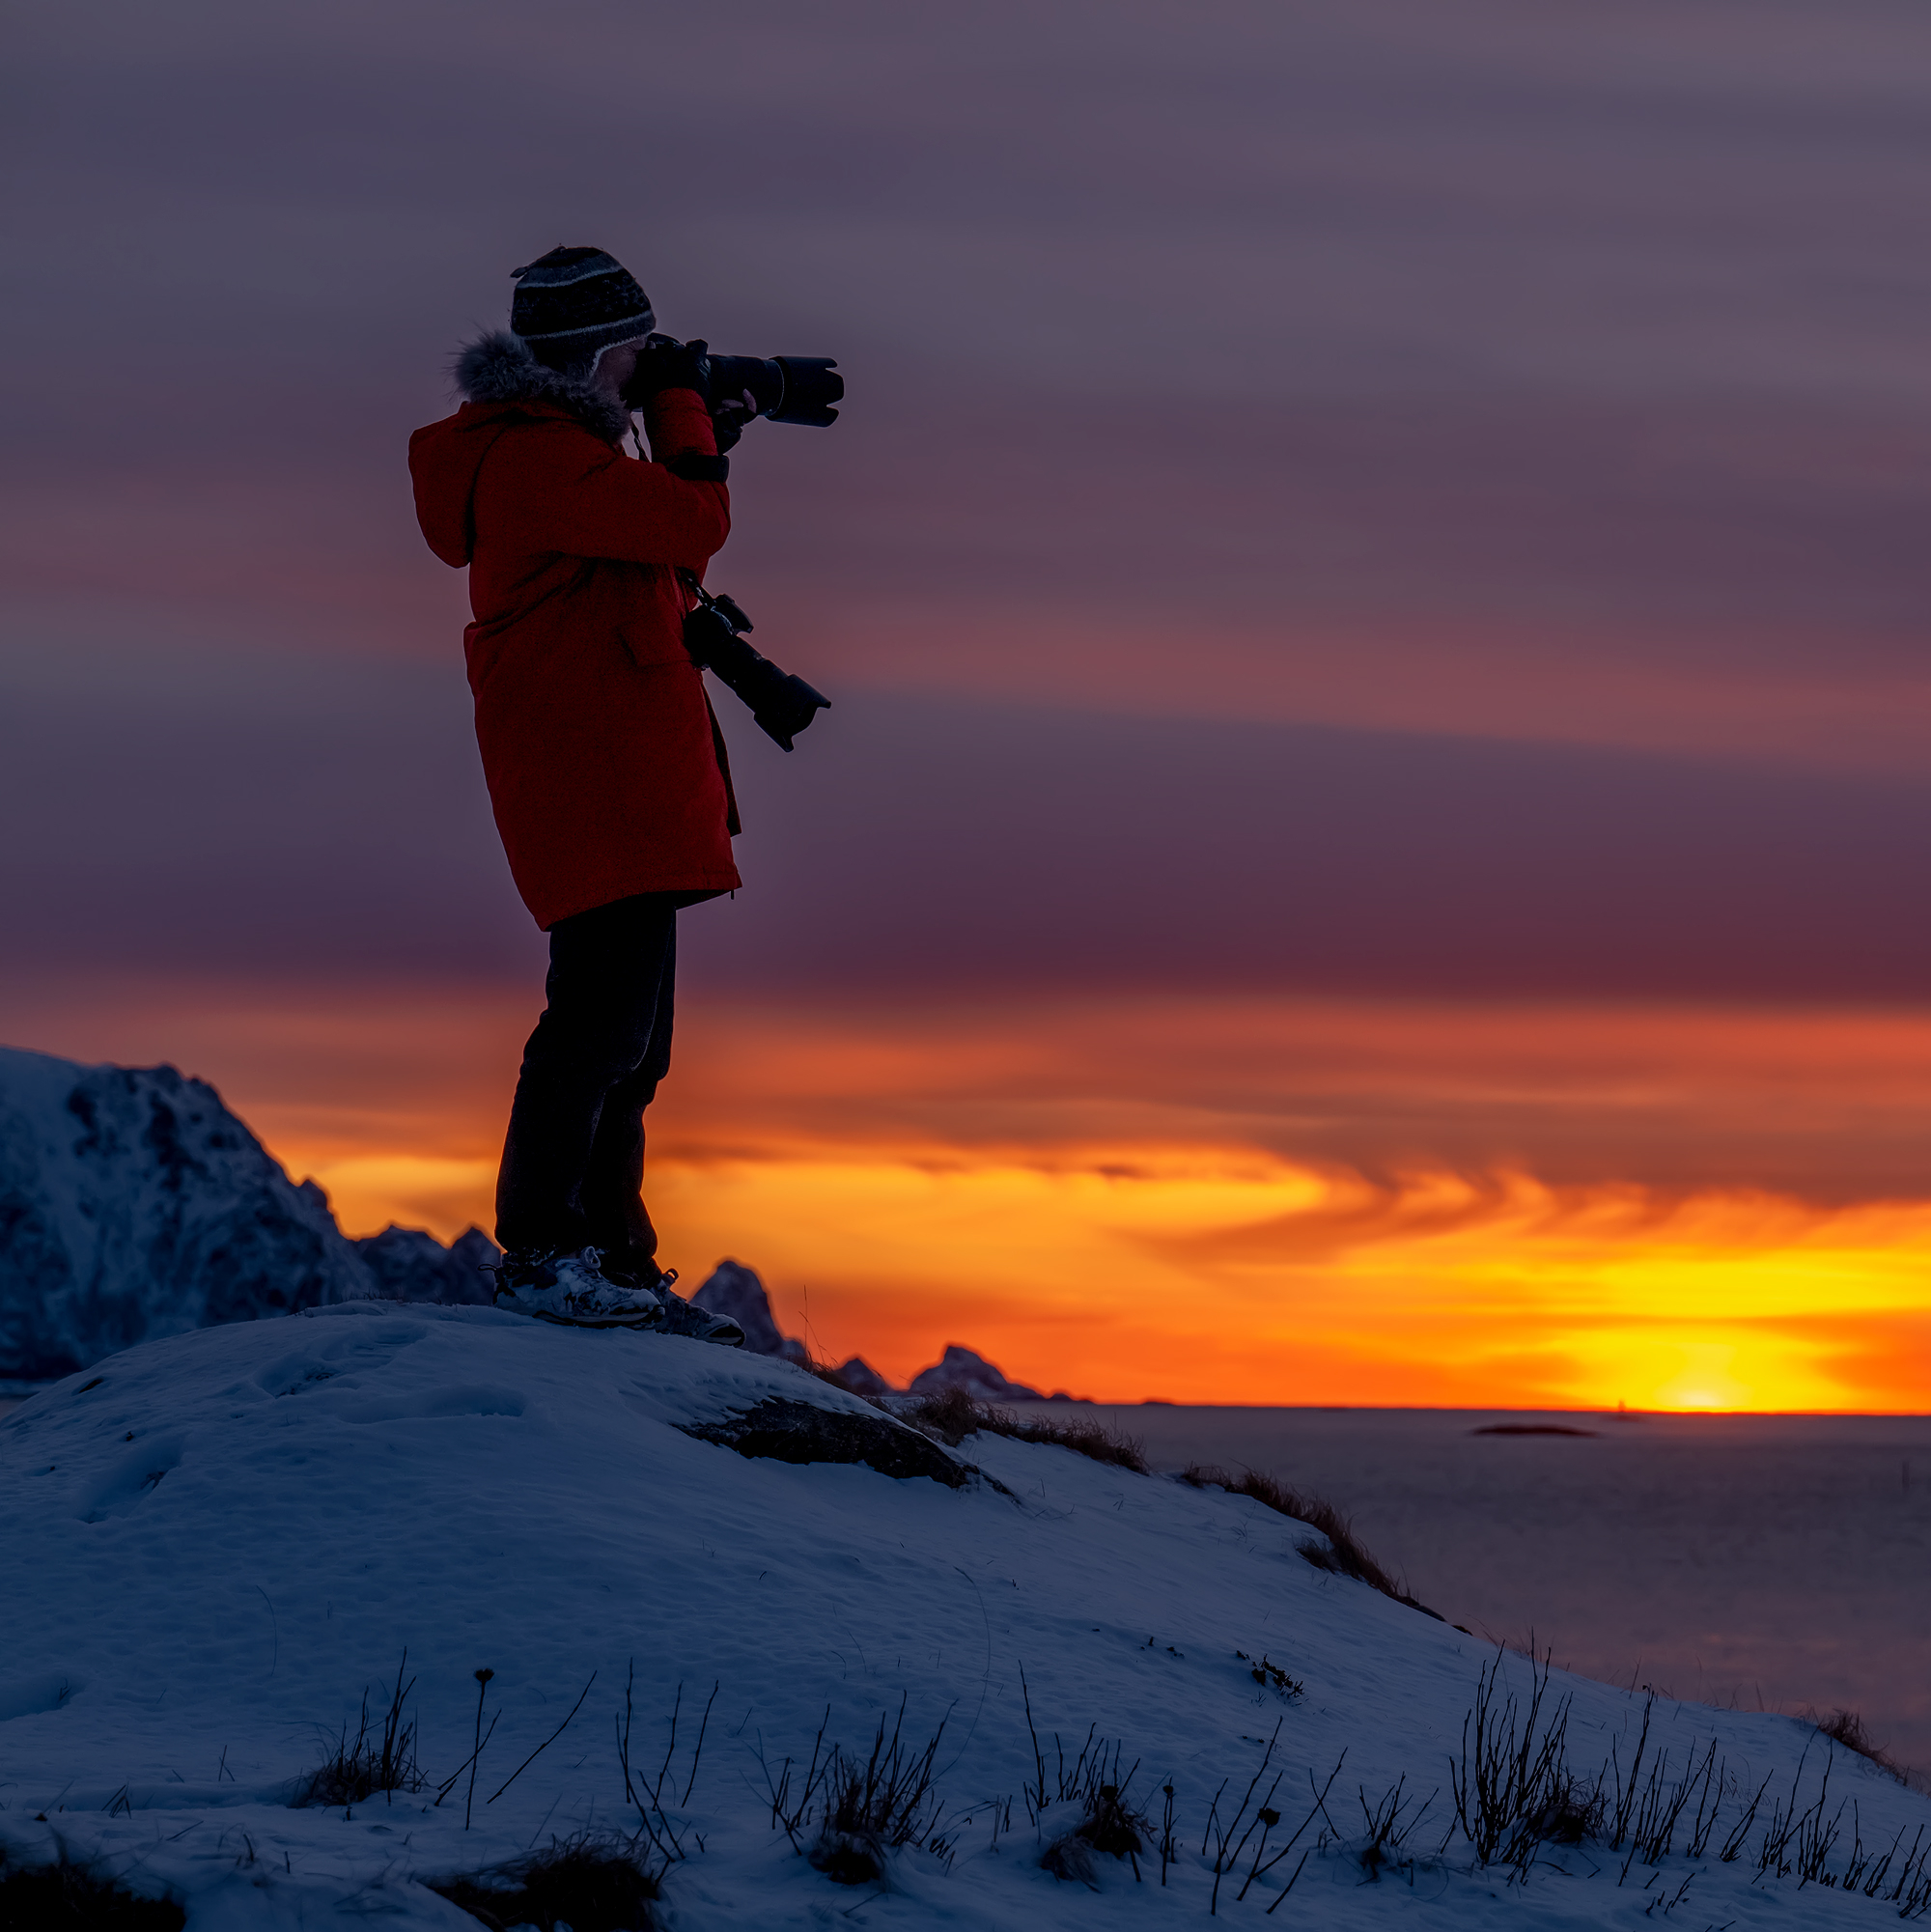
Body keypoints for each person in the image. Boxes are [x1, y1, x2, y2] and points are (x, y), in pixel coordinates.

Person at [407, 244, 745, 1342]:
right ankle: (546, 1253)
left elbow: (661, 556)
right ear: (599, 352)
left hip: (611, 773)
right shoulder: (534, 460)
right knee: (594, 1032)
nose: (644, 371)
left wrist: (695, 425)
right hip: (594, 776)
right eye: (636, 354)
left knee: (631, 1042)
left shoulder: (561, 463)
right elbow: (692, 526)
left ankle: (611, 1256)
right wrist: (685, 415)